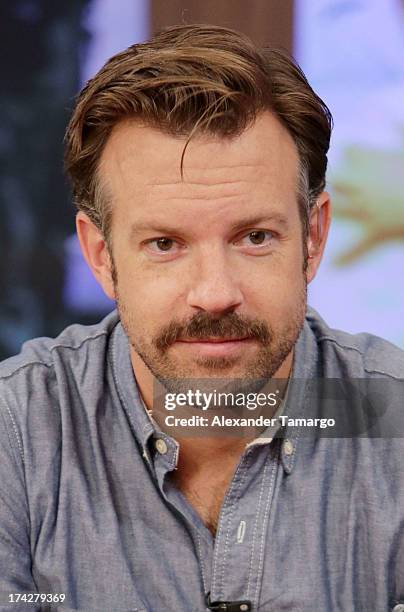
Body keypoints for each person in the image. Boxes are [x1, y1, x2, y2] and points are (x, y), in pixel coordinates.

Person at [0, 24, 403, 612]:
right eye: (165, 244)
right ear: (101, 257)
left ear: (313, 238)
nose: (215, 295)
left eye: (256, 237)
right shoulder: (19, 433)